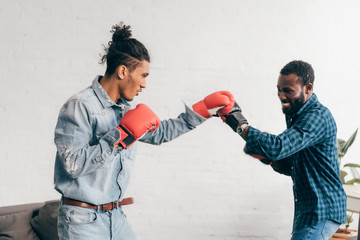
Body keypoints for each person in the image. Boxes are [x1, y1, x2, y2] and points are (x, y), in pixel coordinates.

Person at [53, 23, 235, 240]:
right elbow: (73, 165)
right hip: (83, 221)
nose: (145, 84)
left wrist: (201, 112)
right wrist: (120, 137)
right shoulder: (80, 106)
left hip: (115, 216)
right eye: (143, 75)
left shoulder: (124, 110)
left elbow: (159, 133)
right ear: (123, 71)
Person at [221, 60, 347, 239]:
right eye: (279, 90)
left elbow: (277, 147)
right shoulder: (297, 114)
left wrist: (238, 123)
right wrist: (274, 161)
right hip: (308, 210)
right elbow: (296, 161)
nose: (281, 96)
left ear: (307, 88)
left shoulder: (316, 117)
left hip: (322, 209)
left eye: (288, 90)